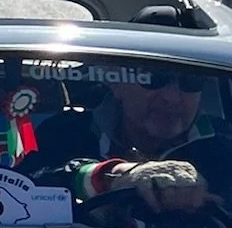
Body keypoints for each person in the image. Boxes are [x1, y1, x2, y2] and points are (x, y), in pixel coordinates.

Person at [25, 63, 232, 218]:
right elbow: (23, 190)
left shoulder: (225, 149)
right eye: (152, 77)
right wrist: (111, 177)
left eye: (191, 82)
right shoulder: (66, 131)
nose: (172, 97)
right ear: (116, 83)